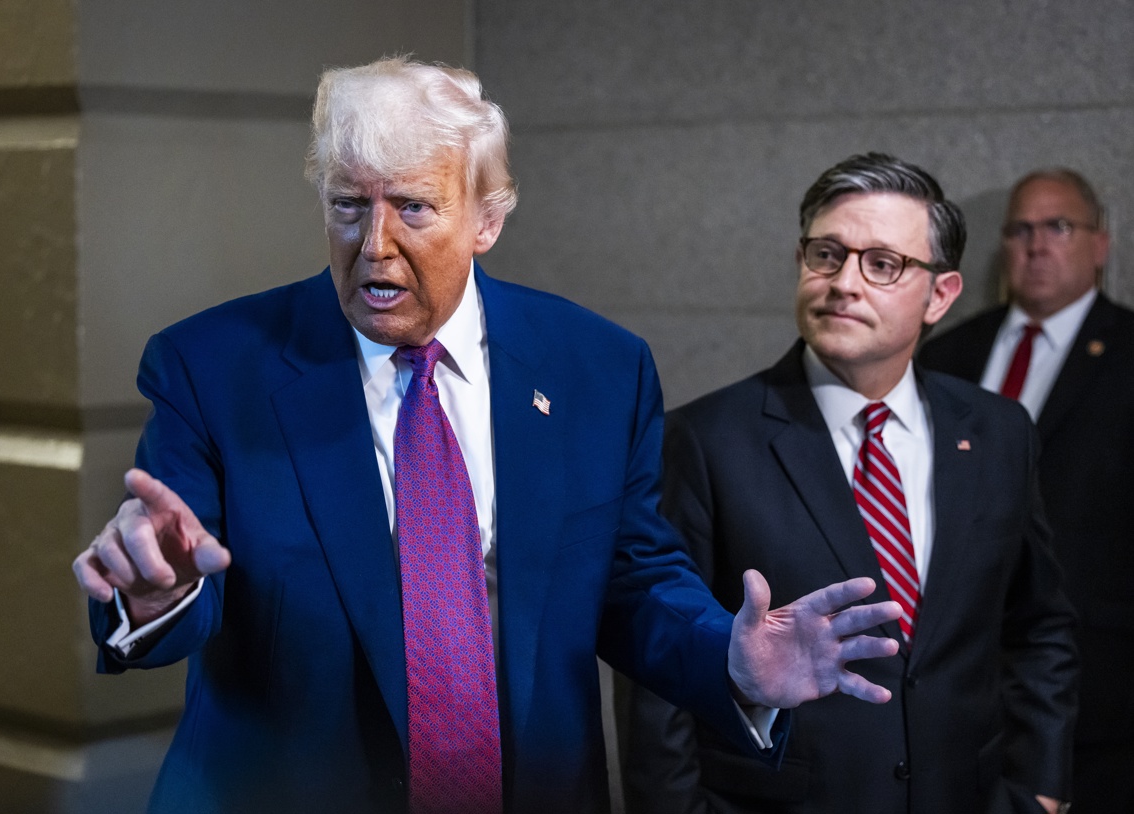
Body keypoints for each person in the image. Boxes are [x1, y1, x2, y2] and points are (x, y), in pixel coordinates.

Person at [71, 59, 902, 814]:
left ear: (486, 220)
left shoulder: (597, 368)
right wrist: (155, 596)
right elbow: (180, 573)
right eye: (349, 206)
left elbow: (630, 578)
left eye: (413, 208)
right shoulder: (211, 366)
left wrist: (729, 658)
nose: (375, 245)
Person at [622, 153, 1078, 814]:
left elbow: (1038, 625)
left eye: (882, 264)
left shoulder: (1000, 433)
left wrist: (1043, 787)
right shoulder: (704, 440)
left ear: (940, 295)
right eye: (827, 255)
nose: (844, 283)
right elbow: (658, 673)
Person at [921, 168, 1133, 812]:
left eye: (1058, 227)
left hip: (1100, 695)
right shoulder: (945, 354)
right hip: (952, 687)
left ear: (1100, 244)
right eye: (1021, 230)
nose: (1037, 245)